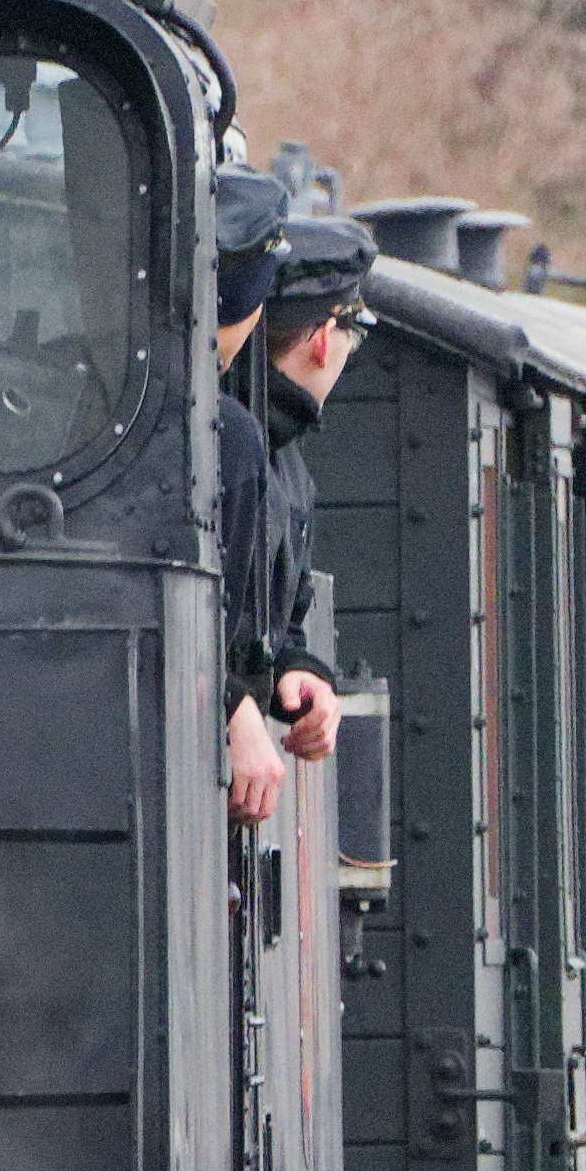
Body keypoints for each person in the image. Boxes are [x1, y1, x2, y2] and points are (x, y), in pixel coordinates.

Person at [222, 214, 365, 825]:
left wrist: (297, 669)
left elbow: (275, 614)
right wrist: (231, 708)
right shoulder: (223, 443)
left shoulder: (284, 458)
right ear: (324, 337)